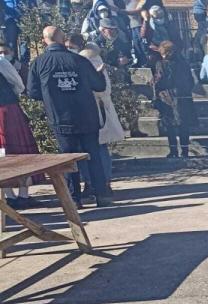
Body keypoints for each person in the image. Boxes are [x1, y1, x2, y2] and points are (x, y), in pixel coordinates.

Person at [28, 26, 111, 208]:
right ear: (63, 39)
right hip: (87, 116)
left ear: (44, 40)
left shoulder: (39, 63)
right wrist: (99, 74)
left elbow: (33, 92)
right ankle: (102, 195)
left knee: (68, 159)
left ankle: (74, 199)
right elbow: (99, 85)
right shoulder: (80, 60)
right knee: (93, 156)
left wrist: (52, 96)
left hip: (60, 117)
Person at [78, 45, 125, 193]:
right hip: (94, 111)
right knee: (98, 147)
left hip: (96, 111)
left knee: (97, 147)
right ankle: (100, 182)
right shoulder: (96, 64)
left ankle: (97, 182)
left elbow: (102, 90)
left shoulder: (92, 65)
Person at [0, 42, 40, 209]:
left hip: (6, 108)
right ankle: (22, 195)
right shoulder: (1, 62)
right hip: (7, 109)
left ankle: (9, 196)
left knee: (3, 153)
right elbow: (19, 85)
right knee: (18, 151)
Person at [152, 40, 195, 158]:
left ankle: (173, 151)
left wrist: (153, 84)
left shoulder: (161, 64)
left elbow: (159, 80)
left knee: (170, 126)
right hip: (183, 96)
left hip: (167, 97)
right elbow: (191, 81)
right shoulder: (184, 63)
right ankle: (185, 151)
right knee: (184, 126)